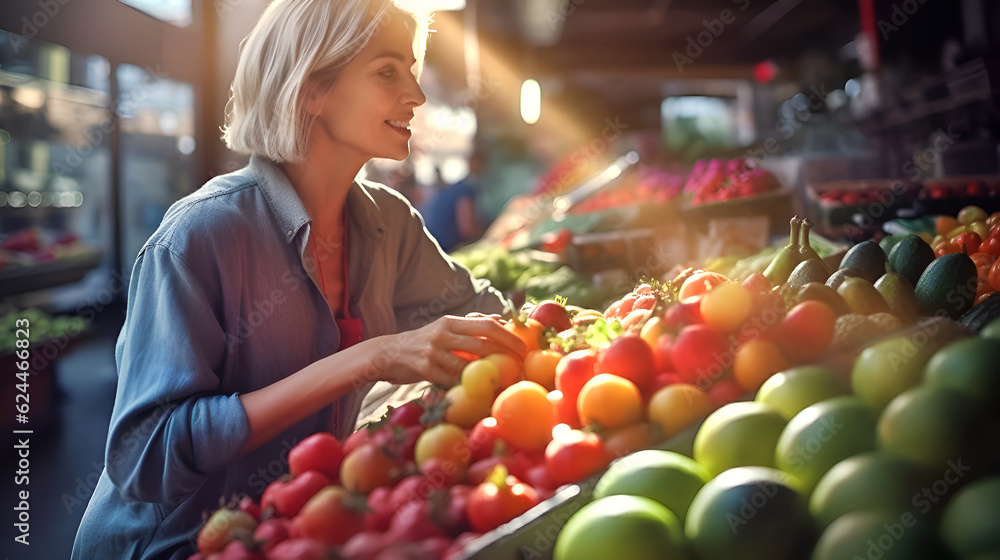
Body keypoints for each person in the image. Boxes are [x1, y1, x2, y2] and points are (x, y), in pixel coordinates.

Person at [71, 1, 525, 558]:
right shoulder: (200, 235)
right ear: (312, 88)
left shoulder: (388, 221)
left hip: (284, 531)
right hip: (174, 544)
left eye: (411, 68)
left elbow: (483, 312)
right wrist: (370, 357)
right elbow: (146, 458)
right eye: (388, 72)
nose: (417, 93)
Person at [419, 151, 485, 252]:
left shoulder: (455, 187)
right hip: (445, 250)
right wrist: (487, 238)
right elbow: (467, 229)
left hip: (432, 247)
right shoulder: (465, 190)